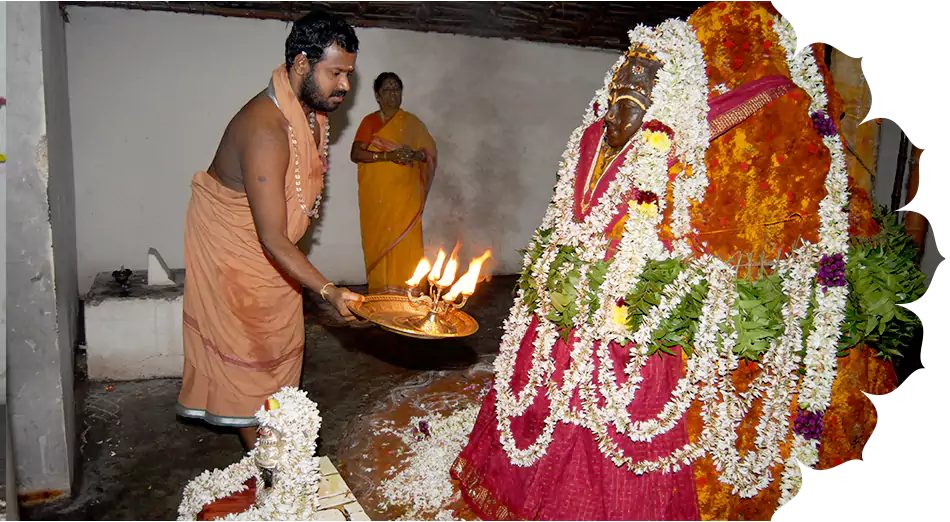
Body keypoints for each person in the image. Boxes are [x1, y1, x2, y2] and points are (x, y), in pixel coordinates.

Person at [176, 8, 364, 452]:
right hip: (235, 252)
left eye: (349, 74)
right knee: (251, 356)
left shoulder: (308, 113)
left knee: (277, 347)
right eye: (336, 73)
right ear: (301, 64)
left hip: (270, 249)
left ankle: (274, 439)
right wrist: (331, 291)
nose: (345, 86)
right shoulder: (266, 130)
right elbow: (273, 238)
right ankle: (271, 463)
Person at [350, 72, 437, 295]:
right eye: (387, 90)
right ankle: (382, 291)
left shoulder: (412, 123)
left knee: (406, 241)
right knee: (380, 238)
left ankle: (409, 291)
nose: (393, 94)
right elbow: (356, 153)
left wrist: (413, 155)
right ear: (378, 96)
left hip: (406, 195)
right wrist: (388, 157)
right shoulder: (370, 122)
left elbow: (428, 154)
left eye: (396, 89)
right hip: (378, 196)